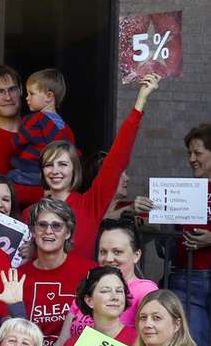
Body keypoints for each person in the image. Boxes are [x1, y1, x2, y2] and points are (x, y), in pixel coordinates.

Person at [21, 74, 160, 258]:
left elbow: (117, 158)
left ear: (74, 170)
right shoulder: (30, 213)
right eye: (49, 165)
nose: (55, 171)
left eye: (63, 164)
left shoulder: (90, 204)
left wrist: (140, 101)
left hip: (82, 285)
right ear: (42, 171)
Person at [134, 123, 211, 346]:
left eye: (198, 153)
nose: (192, 159)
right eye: (189, 153)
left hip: (194, 276)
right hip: (187, 281)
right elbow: (151, 229)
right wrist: (140, 214)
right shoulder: (181, 190)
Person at [20, 198, 96, 346]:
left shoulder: (90, 273)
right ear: (33, 231)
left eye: (56, 226)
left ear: (67, 232)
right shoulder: (19, 277)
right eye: (42, 225)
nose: (48, 231)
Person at [8, 68, 75, 186]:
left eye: (31, 93)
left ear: (49, 96)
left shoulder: (36, 119)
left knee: (10, 177)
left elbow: (18, 141)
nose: (27, 98)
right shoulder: (64, 125)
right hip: (53, 173)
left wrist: (13, 139)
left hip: (33, 168)